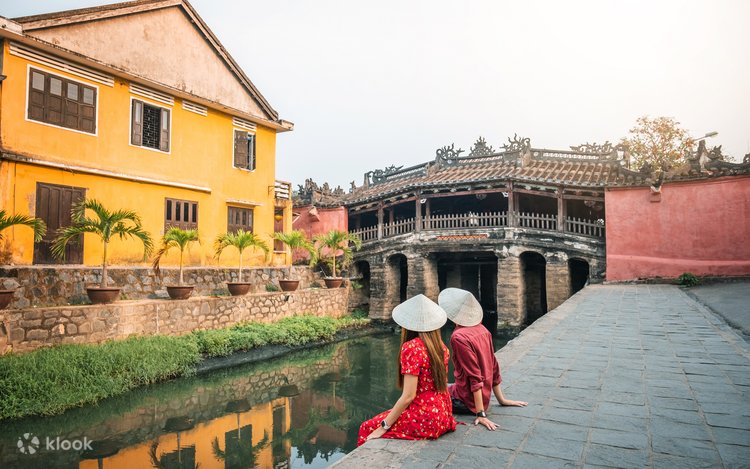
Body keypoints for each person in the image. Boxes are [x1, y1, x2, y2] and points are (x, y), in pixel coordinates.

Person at [357, 294, 457, 446]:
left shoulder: (412, 348)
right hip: (443, 415)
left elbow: (408, 396)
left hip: (425, 418)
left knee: (366, 427)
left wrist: (383, 427)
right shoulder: (441, 347)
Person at [439, 288, 528, 431]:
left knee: (425, 395)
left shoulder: (458, 337)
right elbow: (493, 366)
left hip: (466, 401)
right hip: (479, 396)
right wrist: (501, 400)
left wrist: (480, 414)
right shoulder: (483, 330)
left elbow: (474, 376)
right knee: (445, 386)